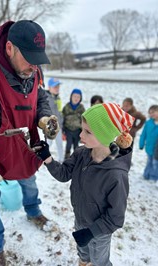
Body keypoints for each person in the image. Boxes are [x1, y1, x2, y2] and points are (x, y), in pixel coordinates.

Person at [0, 20, 59, 265]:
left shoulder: (33, 68)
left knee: (30, 181)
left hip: (25, 145)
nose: (34, 65)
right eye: (29, 57)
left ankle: (33, 210)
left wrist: (44, 116)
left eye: (38, 59)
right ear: (9, 48)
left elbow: (41, 95)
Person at [33, 103, 135, 266]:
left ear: (105, 135)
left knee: (99, 259)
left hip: (100, 231)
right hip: (80, 219)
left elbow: (116, 217)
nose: (81, 135)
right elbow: (64, 173)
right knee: (83, 251)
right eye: (82, 129)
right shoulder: (82, 153)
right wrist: (48, 158)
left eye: (87, 132)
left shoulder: (116, 175)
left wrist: (91, 232)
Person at [62, 88, 85, 159]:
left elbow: (84, 120)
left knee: (76, 146)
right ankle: (67, 157)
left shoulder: (81, 108)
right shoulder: (66, 107)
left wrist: (83, 131)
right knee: (68, 145)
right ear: (71, 97)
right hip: (68, 130)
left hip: (77, 130)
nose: (76, 98)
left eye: (78, 97)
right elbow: (63, 118)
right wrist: (62, 131)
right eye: (74, 96)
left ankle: (75, 159)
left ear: (80, 98)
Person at [46, 77, 64, 162]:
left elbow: (60, 112)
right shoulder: (46, 98)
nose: (57, 89)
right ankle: (45, 158)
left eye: (58, 87)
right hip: (50, 126)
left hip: (58, 126)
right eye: (55, 87)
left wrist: (61, 123)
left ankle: (61, 159)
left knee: (59, 144)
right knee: (48, 143)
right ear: (49, 88)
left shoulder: (58, 98)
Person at [139, 105, 158, 181]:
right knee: (149, 161)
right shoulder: (148, 123)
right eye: (150, 113)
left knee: (155, 163)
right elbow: (143, 134)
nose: (151, 114)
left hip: (157, 148)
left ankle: (154, 177)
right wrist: (141, 144)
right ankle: (146, 174)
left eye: (153, 112)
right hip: (149, 147)